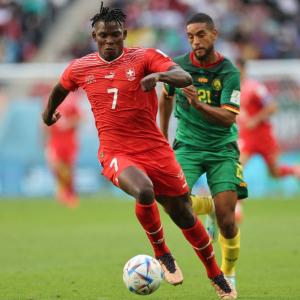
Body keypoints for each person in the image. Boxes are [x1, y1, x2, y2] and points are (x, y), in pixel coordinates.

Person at [41, 3, 236, 299]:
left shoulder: (144, 57)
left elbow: (184, 77)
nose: (110, 41)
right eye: (103, 36)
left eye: (115, 35)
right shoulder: (81, 67)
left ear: (124, 34)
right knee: (143, 191)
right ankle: (163, 253)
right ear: (94, 35)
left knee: (183, 213)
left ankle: (215, 274)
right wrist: (47, 114)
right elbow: (60, 87)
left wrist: (158, 77)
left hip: (155, 150)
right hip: (116, 152)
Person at [159, 12, 248, 293]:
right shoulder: (179, 67)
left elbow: (227, 118)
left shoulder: (229, 72)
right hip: (188, 145)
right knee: (170, 200)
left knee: (227, 221)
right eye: (190, 36)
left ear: (214, 34)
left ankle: (228, 272)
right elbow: (166, 99)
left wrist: (197, 105)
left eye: (200, 35)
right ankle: (207, 206)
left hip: (222, 149)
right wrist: (162, 137)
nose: (195, 41)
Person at [237, 58, 300, 179]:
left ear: (243, 69)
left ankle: (295, 170)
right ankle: (237, 197)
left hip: (263, 136)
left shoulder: (254, 87)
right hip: (247, 136)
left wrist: (255, 120)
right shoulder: (233, 89)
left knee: (274, 172)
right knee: (236, 167)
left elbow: (272, 107)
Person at [44, 92, 81, 208]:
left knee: (69, 168)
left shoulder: (71, 102)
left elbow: (80, 118)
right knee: (55, 166)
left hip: (69, 141)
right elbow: (44, 120)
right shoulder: (50, 102)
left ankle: (69, 194)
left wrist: (68, 124)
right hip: (55, 140)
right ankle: (64, 191)